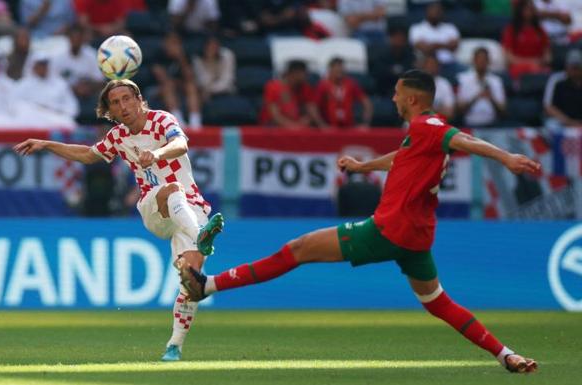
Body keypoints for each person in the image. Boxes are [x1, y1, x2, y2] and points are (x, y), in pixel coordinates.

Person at [179, 70, 540, 374]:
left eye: (397, 94)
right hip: (416, 238)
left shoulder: (430, 125)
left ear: (413, 99)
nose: (393, 99)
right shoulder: (422, 132)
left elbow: (462, 140)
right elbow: (404, 156)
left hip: (389, 229)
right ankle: (505, 354)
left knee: (298, 249)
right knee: (437, 301)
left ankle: (207, 286)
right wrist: (363, 167)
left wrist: (506, 157)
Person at [13, 79, 224, 361]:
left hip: (191, 207)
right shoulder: (117, 136)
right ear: (109, 110)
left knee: (191, 281)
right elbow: (89, 155)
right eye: (115, 103)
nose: (123, 106)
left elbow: (181, 143)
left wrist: (157, 153)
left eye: (127, 98)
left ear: (139, 99)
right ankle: (201, 235)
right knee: (171, 188)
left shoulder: (162, 120)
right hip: (154, 207)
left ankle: (174, 346)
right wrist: (46, 144)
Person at [151, 31, 202, 129]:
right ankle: (178, 121)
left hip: (179, 86)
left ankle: (195, 122)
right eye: (171, 43)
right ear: (165, 43)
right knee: (168, 86)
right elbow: (162, 78)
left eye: (177, 43)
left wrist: (181, 58)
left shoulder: (185, 56)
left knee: (191, 85)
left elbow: (190, 76)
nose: (174, 46)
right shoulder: (157, 55)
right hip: (157, 89)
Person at [15, 52, 79, 130]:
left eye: (44, 65)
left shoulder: (60, 84)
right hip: (32, 118)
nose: (42, 68)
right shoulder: (23, 84)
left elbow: (72, 107)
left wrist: (58, 110)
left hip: (54, 118)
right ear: (33, 66)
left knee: (69, 124)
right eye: (39, 65)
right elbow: (16, 106)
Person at [259, 59, 326, 128]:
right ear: (294, 73)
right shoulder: (273, 87)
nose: (306, 78)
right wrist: (293, 126)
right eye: (304, 74)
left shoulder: (305, 87)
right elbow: (275, 115)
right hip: (274, 126)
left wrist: (321, 125)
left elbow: (312, 109)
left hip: (296, 126)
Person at [316, 57, 373, 128]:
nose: (339, 72)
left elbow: (367, 103)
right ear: (330, 70)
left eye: (341, 70)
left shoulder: (351, 84)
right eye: (337, 70)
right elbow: (314, 106)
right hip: (330, 128)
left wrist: (365, 123)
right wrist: (322, 125)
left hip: (348, 127)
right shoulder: (323, 85)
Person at [456, 47, 506, 127]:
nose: (481, 62)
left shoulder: (496, 81)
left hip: (492, 125)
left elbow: (503, 111)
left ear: (488, 61)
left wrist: (491, 97)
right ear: (473, 60)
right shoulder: (463, 79)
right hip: (470, 125)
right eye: (479, 59)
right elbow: (459, 110)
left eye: (484, 59)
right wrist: (476, 97)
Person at [502, 0, 551, 80]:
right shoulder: (511, 30)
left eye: (531, 9)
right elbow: (509, 58)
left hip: (538, 66)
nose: (529, 12)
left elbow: (548, 55)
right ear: (520, 11)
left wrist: (541, 61)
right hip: (519, 67)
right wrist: (529, 63)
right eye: (526, 9)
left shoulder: (540, 30)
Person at [408, 2, 460, 75]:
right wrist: (445, 45)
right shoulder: (417, 28)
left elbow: (454, 46)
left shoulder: (450, 28)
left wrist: (432, 45)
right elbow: (424, 48)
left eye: (438, 11)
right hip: (426, 65)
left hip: (449, 64)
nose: (436, 13)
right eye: (433, 10)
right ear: (427, 11)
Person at [543, 48, 582, 127]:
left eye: (577, 67)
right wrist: (569, 122)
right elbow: (548, 107)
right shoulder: (556, 79)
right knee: (551, 125)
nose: (574, 71)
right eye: (572, 67)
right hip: (562, 122)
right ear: (566, 66)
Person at [192, 35, 236, 102]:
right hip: (205, 92)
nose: (213, 48)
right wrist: (209, 60)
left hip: (226, 91)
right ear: (204, 47)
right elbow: (203, 81)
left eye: (215, 45)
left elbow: (227, 81)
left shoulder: (227, 55)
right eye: (210, 46)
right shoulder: (197, 59)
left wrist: (210, 90)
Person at [421, 53, 455, 120]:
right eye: (429, 64)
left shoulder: (444, 84)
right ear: (423, 66)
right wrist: (438, 109)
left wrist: (428, 110)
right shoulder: (414, 83)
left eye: (433, 64)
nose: (431, 67)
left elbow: (449, 113)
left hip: (437, 123)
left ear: (438, 67)